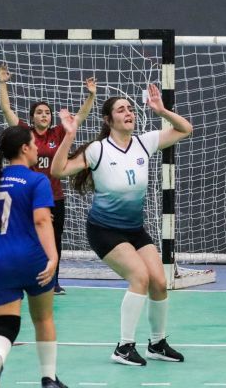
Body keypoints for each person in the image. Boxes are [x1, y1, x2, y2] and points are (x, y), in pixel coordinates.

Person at [51, 84, 191, 366]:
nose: (128, 113)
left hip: (134, 229)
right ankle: (124, 347)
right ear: (108, 120)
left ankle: (157, 343)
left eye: (130, 108)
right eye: (120, 109)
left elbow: (185, 129)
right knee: (139, 277)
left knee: (160, 282)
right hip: (104, 230)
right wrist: (69, 135)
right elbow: (58, 170)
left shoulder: (144, 142)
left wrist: (162, 110)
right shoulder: (97, 150)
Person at [0, 64, 96, 295]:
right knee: (26, 237)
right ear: (32, 117)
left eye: (47, 112)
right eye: (39, 112)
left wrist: (91, 95)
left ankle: (53, 280)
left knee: (54, 240)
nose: (44, 115)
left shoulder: (58, 134)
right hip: (27, 196)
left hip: (54, 197)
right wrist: (3, 82)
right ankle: (24, 278)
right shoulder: (24, 133)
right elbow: (7, 110)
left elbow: (80, 117)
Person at [0, 126, 66, 388]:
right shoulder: (37, 180)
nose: (38, 148)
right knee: (43, 319)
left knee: (6, 324)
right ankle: (48, 379)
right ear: (25, 148)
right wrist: (53, 258)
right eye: (33, 143)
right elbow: (41, 221)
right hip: (31, 260)